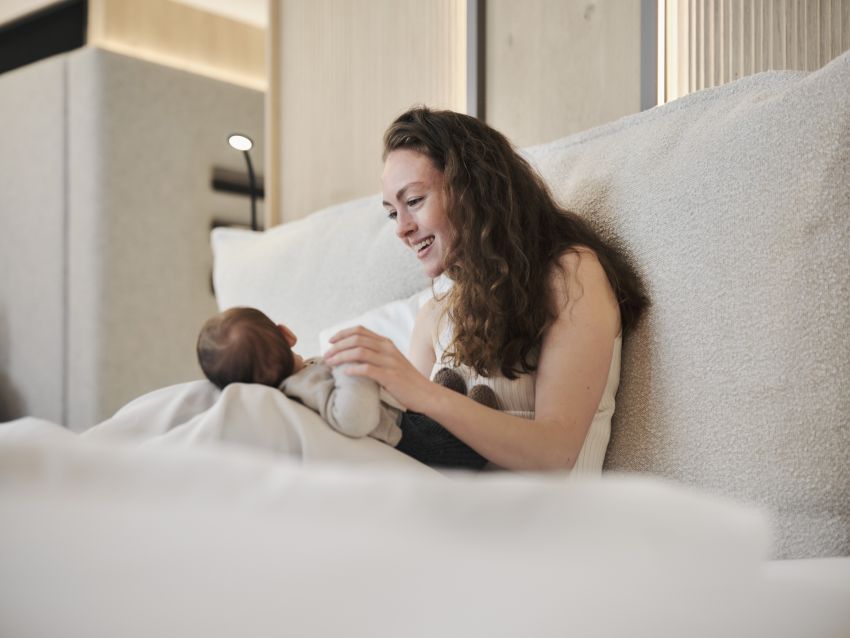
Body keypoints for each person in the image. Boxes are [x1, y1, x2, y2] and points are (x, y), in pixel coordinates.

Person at [322, 106, 648, 473]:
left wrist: (420, 391)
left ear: (471, 190)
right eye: (392, 213)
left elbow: (556, 453)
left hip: (549, 525)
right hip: (449, 519)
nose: (401, 228)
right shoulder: (434, 316)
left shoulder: (570, 275)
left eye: (413, 201)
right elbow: (409, 451)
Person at [196, 306, 492, 470]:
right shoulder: (304, 389)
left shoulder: (300, 381)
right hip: (408, 440)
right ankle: (479, 415)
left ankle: (450, 394)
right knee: (462, 441)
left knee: (442, 391)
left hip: (404, 416)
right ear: (287, 334)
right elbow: (354, 417)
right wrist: (352, 368)